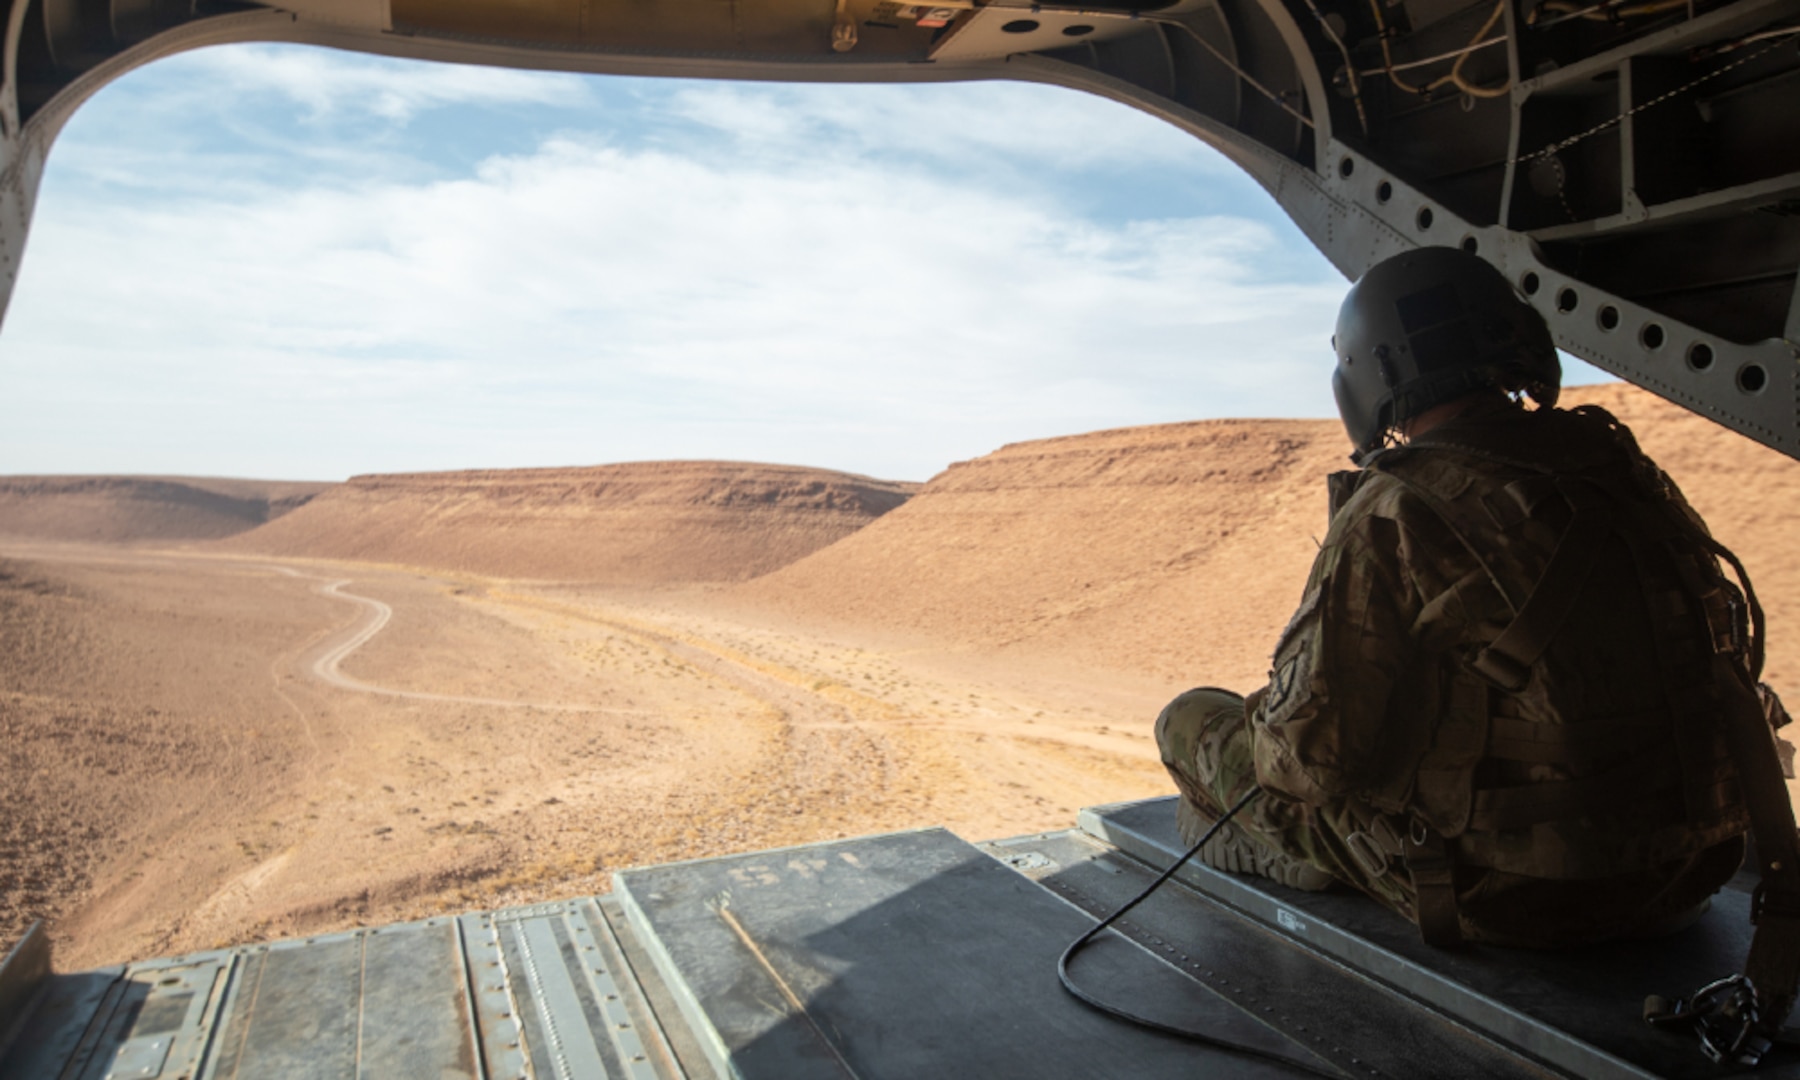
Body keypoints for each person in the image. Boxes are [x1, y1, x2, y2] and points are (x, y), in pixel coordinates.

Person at [1155, 246, 1790, 949]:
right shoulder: (1621, 468)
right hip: (1691, 867)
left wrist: (1267, 712)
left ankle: (1291, 858)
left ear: (1369, 377)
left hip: (1516, 898)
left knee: (1190, 718)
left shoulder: (1398, 505)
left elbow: (1307, 762)